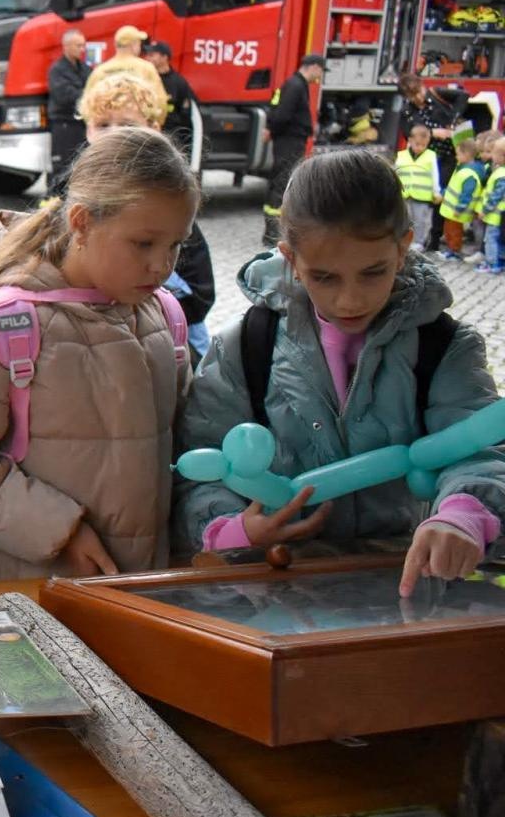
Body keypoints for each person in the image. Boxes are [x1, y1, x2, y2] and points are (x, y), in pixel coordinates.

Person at [174, 150, 505, 596]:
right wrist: (232, 530)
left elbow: (480, 451)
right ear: (291, 259)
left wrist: (463, 514)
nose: (350, 300)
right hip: (275, 595)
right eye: (325, 277)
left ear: (403, 246)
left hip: (405, 582)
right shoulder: (244, 347)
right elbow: (199, 463)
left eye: (373, 272)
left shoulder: (443, 346)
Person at [0, 128, 197, 582]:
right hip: (13, 597)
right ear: (81, 223)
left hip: (128, 595)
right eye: (143, 244)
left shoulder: (164, 318)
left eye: (175, 245)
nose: (162, 265)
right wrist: (59, 529)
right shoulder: (6, 328)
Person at [74, 71, 216, 360]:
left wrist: (140, 307)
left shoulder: (171, 211)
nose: (113, 134)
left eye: (127, 124)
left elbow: (201, 295)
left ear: (154, 127)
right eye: (102, 125)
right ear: (87, 130)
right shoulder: (72, 195)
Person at [263, 54, 326, 247]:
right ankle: (273, 233)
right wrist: (272, 130)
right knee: (282, 182)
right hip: (289, 141)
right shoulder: (295, 85)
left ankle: (274, 231)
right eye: (321, 70)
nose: (321, 75)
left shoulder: (296, 84)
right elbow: (282, 114)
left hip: (289, 139)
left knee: (283, 181)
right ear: (314, 67)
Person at [399, 74, 461, 250]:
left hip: (449, 153)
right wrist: (434, 133)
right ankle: (421, 239)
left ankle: (435, 238)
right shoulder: (408, 111)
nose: (419, 97)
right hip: (428, 155)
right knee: (422, 206)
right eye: (413, 95)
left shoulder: (436, 95)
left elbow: (462, 97)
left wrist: (452, 120)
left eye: (419, 91)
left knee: (442, 196)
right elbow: (408, 131)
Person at [45, 28, 91, 196]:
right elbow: (64, 95)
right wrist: (87, 95)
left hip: (81, 124)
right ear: (66, 46)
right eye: (79, 45)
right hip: (64, 124)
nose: (82, 49)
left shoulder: (85, 68)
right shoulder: (57, 70)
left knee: (79, 165)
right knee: (61, 166)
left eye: (83, 45)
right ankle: (53, 202)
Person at [145, 40, 196, 156]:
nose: (148, 58)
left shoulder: (178, 82)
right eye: (147, 55)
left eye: (152, 55)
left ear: (164, 57)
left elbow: (185, 114)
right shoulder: (145, 79)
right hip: (148, 132)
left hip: (169, 135)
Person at [438, 137, 485, 261]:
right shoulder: (462, 167)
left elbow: (466, 194)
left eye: (458, 154)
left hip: (457, 211)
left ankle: (454, 251)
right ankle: (450, 249)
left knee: (455, 232)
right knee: (449, 231)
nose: (456, 156)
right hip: (451, 210)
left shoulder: (469, 173)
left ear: (467, 154)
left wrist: (460, 208)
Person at [395, 123, 440, 252]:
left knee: (420, 220)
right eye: (417, 144)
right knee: (405, 219)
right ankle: (404, 240)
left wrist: (436, 192)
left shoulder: (430, 156)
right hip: (404, 194)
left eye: (424, 145)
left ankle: (419, 242)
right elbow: (396, 172)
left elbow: (435, 175)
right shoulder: (401, 156)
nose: (420, 148)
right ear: (410, 141)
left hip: (422, 195)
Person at [89, 25, 165, 99]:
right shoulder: (147, 68)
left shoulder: (100, 71)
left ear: (115, 45)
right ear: (133, 45)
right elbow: (160, 101)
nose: (140, 47)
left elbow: (88, 102)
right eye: (139, 43)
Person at [476, 133, 505, 275]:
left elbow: (495, 197)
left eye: (494, 153)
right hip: (496, 214)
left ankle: (491, 263)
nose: (492, 156)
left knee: (491, 239)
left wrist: (485, 210)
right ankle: (498, 260)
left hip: (495, 214)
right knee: (496, 238)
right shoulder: (500, 171)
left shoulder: (501, 175)